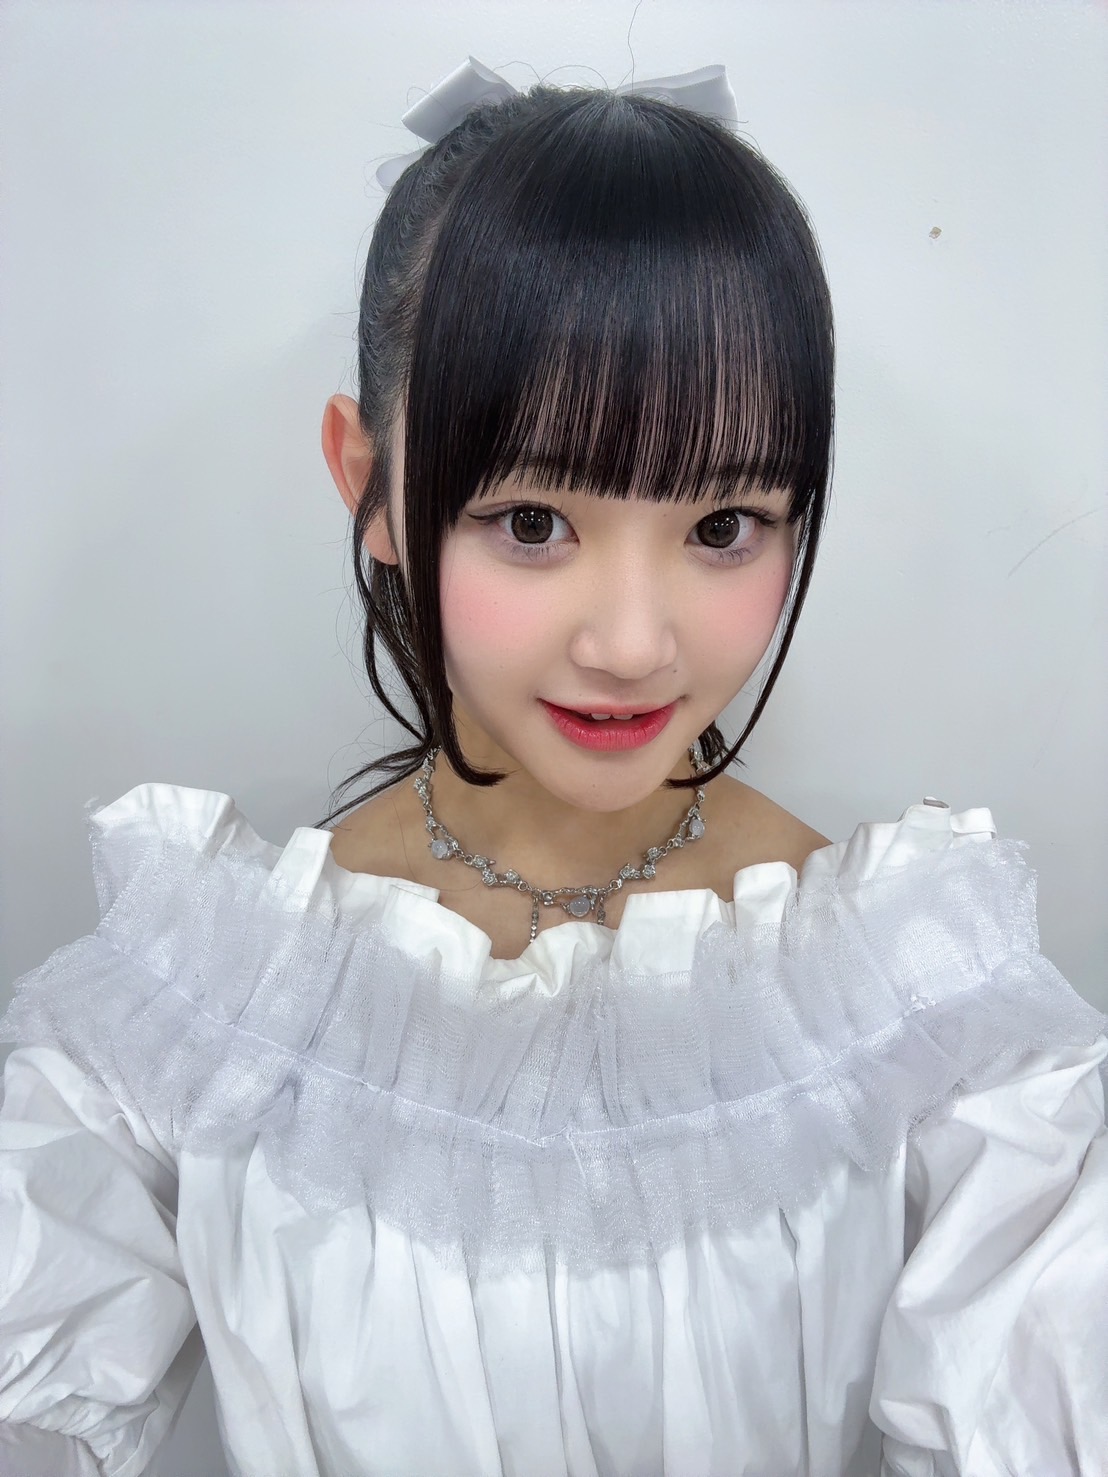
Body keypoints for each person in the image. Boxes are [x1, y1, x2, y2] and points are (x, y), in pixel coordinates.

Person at [1, 56, 1105, 1477]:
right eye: (532, 520)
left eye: (724, 526)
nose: (633, 643)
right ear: (370, 485)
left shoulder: (937, 1023)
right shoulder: (194, 1015)